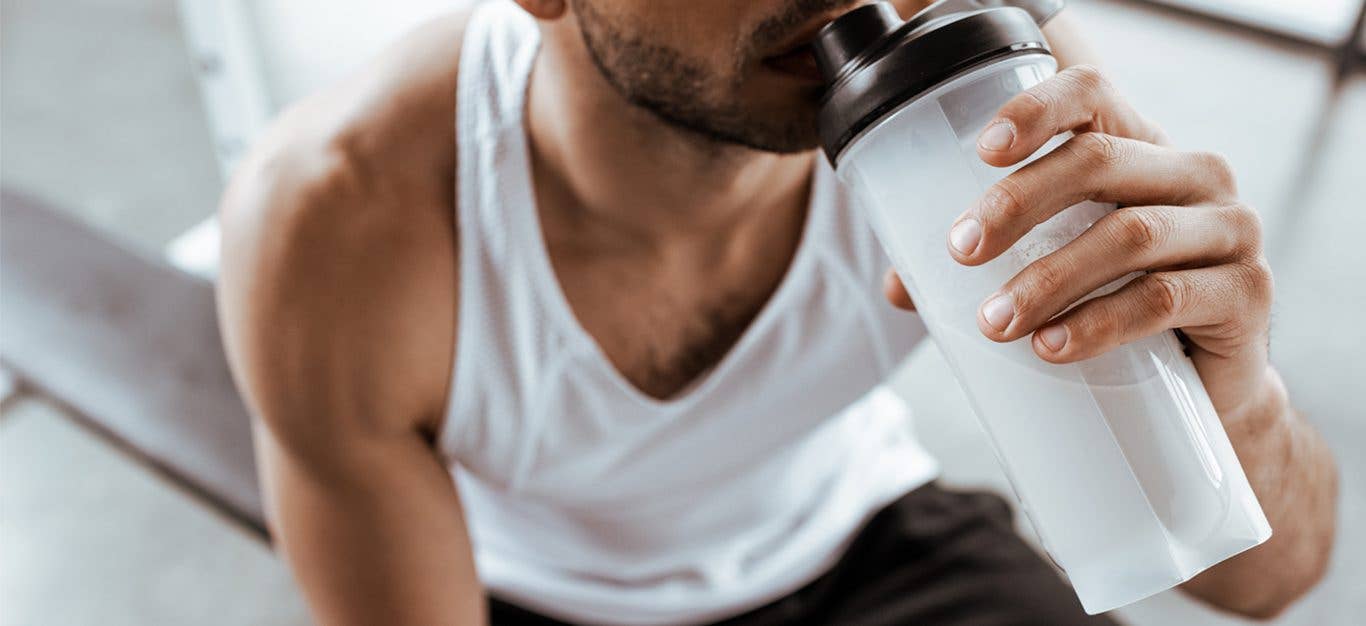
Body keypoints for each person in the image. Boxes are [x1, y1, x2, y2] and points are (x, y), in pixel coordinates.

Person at [216, 1, 1338, 624]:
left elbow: (1264, 579)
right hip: (535, 599)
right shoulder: (345, 228)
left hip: (862, 544)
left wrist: (1232, 391)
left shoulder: (986, 100)